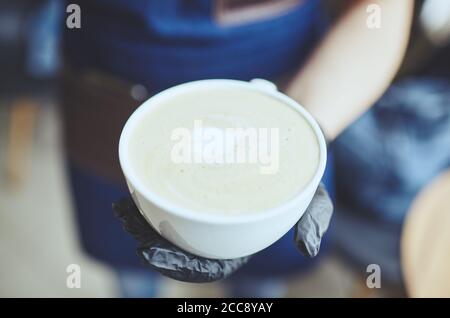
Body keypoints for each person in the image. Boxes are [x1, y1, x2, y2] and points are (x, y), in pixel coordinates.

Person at [62, 0, 413, 296]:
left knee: (259, 282)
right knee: (134, 265)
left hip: (294, 83)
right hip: (111, 79)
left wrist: (310, 124)